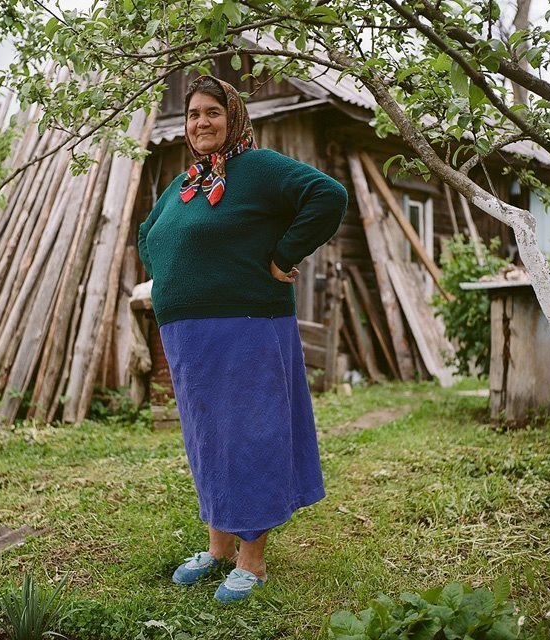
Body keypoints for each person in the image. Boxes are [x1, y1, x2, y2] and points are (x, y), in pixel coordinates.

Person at [138, 75, 347, 603]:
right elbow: (149, 235)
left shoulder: (257, 169)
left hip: (246, 327)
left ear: (233, 118)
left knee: (249, 434)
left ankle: (252, 563)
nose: (201, 122)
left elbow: (328, 196)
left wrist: (282, 256)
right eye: (192, 115)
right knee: (208, 440)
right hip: (188, 334)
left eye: (212, 112)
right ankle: (218, 549)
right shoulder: (187, 183)